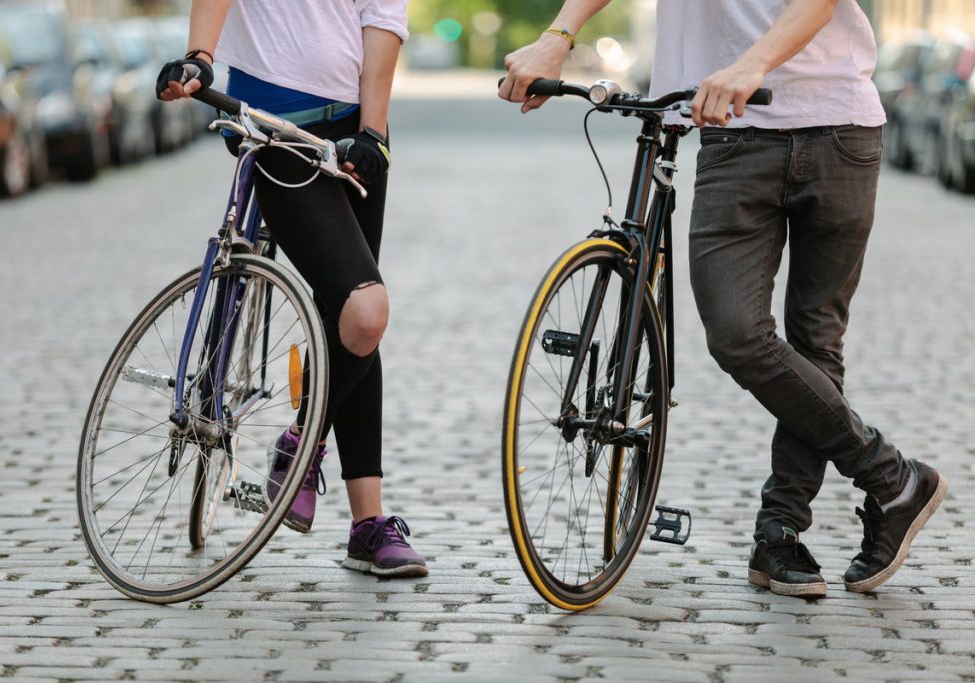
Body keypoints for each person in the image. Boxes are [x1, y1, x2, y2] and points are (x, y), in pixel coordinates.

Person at [499, 0, 946, 599]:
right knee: (738, 335)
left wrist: (751, 64)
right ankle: (893, 478)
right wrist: (559, 35)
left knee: (817, 341)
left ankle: (780, 533)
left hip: (840, 127)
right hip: (733, 135)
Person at [157, 0, 427, 578]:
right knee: (365, 310)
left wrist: (374, 133)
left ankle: (365, 524)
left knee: (353, 319)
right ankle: (303, 448)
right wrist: (200, 56)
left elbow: (382, 20)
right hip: (275, 125)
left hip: (352, 134)